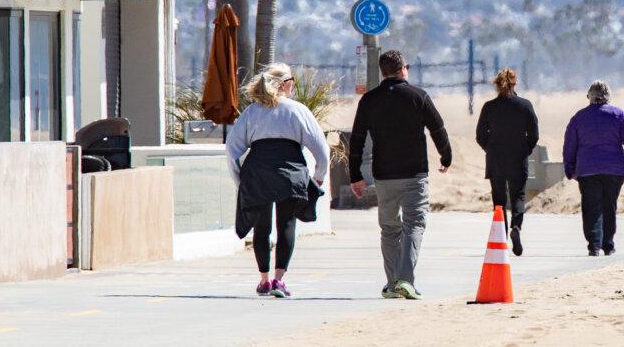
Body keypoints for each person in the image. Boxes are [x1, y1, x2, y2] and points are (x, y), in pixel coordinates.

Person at [349, 50, 452, 300]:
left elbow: (357, 139)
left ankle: (393, 283)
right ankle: (405, 280)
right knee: (414, 224)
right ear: (403, 69)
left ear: (384, 71)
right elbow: (438, 129)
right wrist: (446, 156)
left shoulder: (369, 100)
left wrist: (355, 175)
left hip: (384, 176)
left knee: (389, 229)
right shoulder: (419, 96)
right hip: (415, 173)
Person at [225, 63, 329, 298]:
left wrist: (239, 180)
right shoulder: (297, 110)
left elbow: (232, 149)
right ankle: (279, 280)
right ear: (285, 84)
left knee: (262, 227)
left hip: (257, 173)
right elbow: (321, 148)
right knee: (286, 224)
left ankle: (263, 280)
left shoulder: (252, 112)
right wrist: (319, 176)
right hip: (290, 173)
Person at [562, 80, 624, 256]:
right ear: (608, 96)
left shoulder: (579, 117)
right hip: (614, 170)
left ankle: (594, 245)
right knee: (609, 206)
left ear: (589, 97)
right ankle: (608, 244)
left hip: (587, 171)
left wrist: (569, 168)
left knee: (591, 207)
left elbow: (569, 145)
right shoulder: (618, 115)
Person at [476, 68, 539, 256]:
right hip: (518, 158)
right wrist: (525, 149)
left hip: (495, 160)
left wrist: (490, 149)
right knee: (518, 196)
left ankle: (501, 238)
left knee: (499, 200)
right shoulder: (525, 105)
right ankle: (516, 228)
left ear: (497, 85)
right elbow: (534, 135)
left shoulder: (489, 107)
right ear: (515, 84)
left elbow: (480, 136)